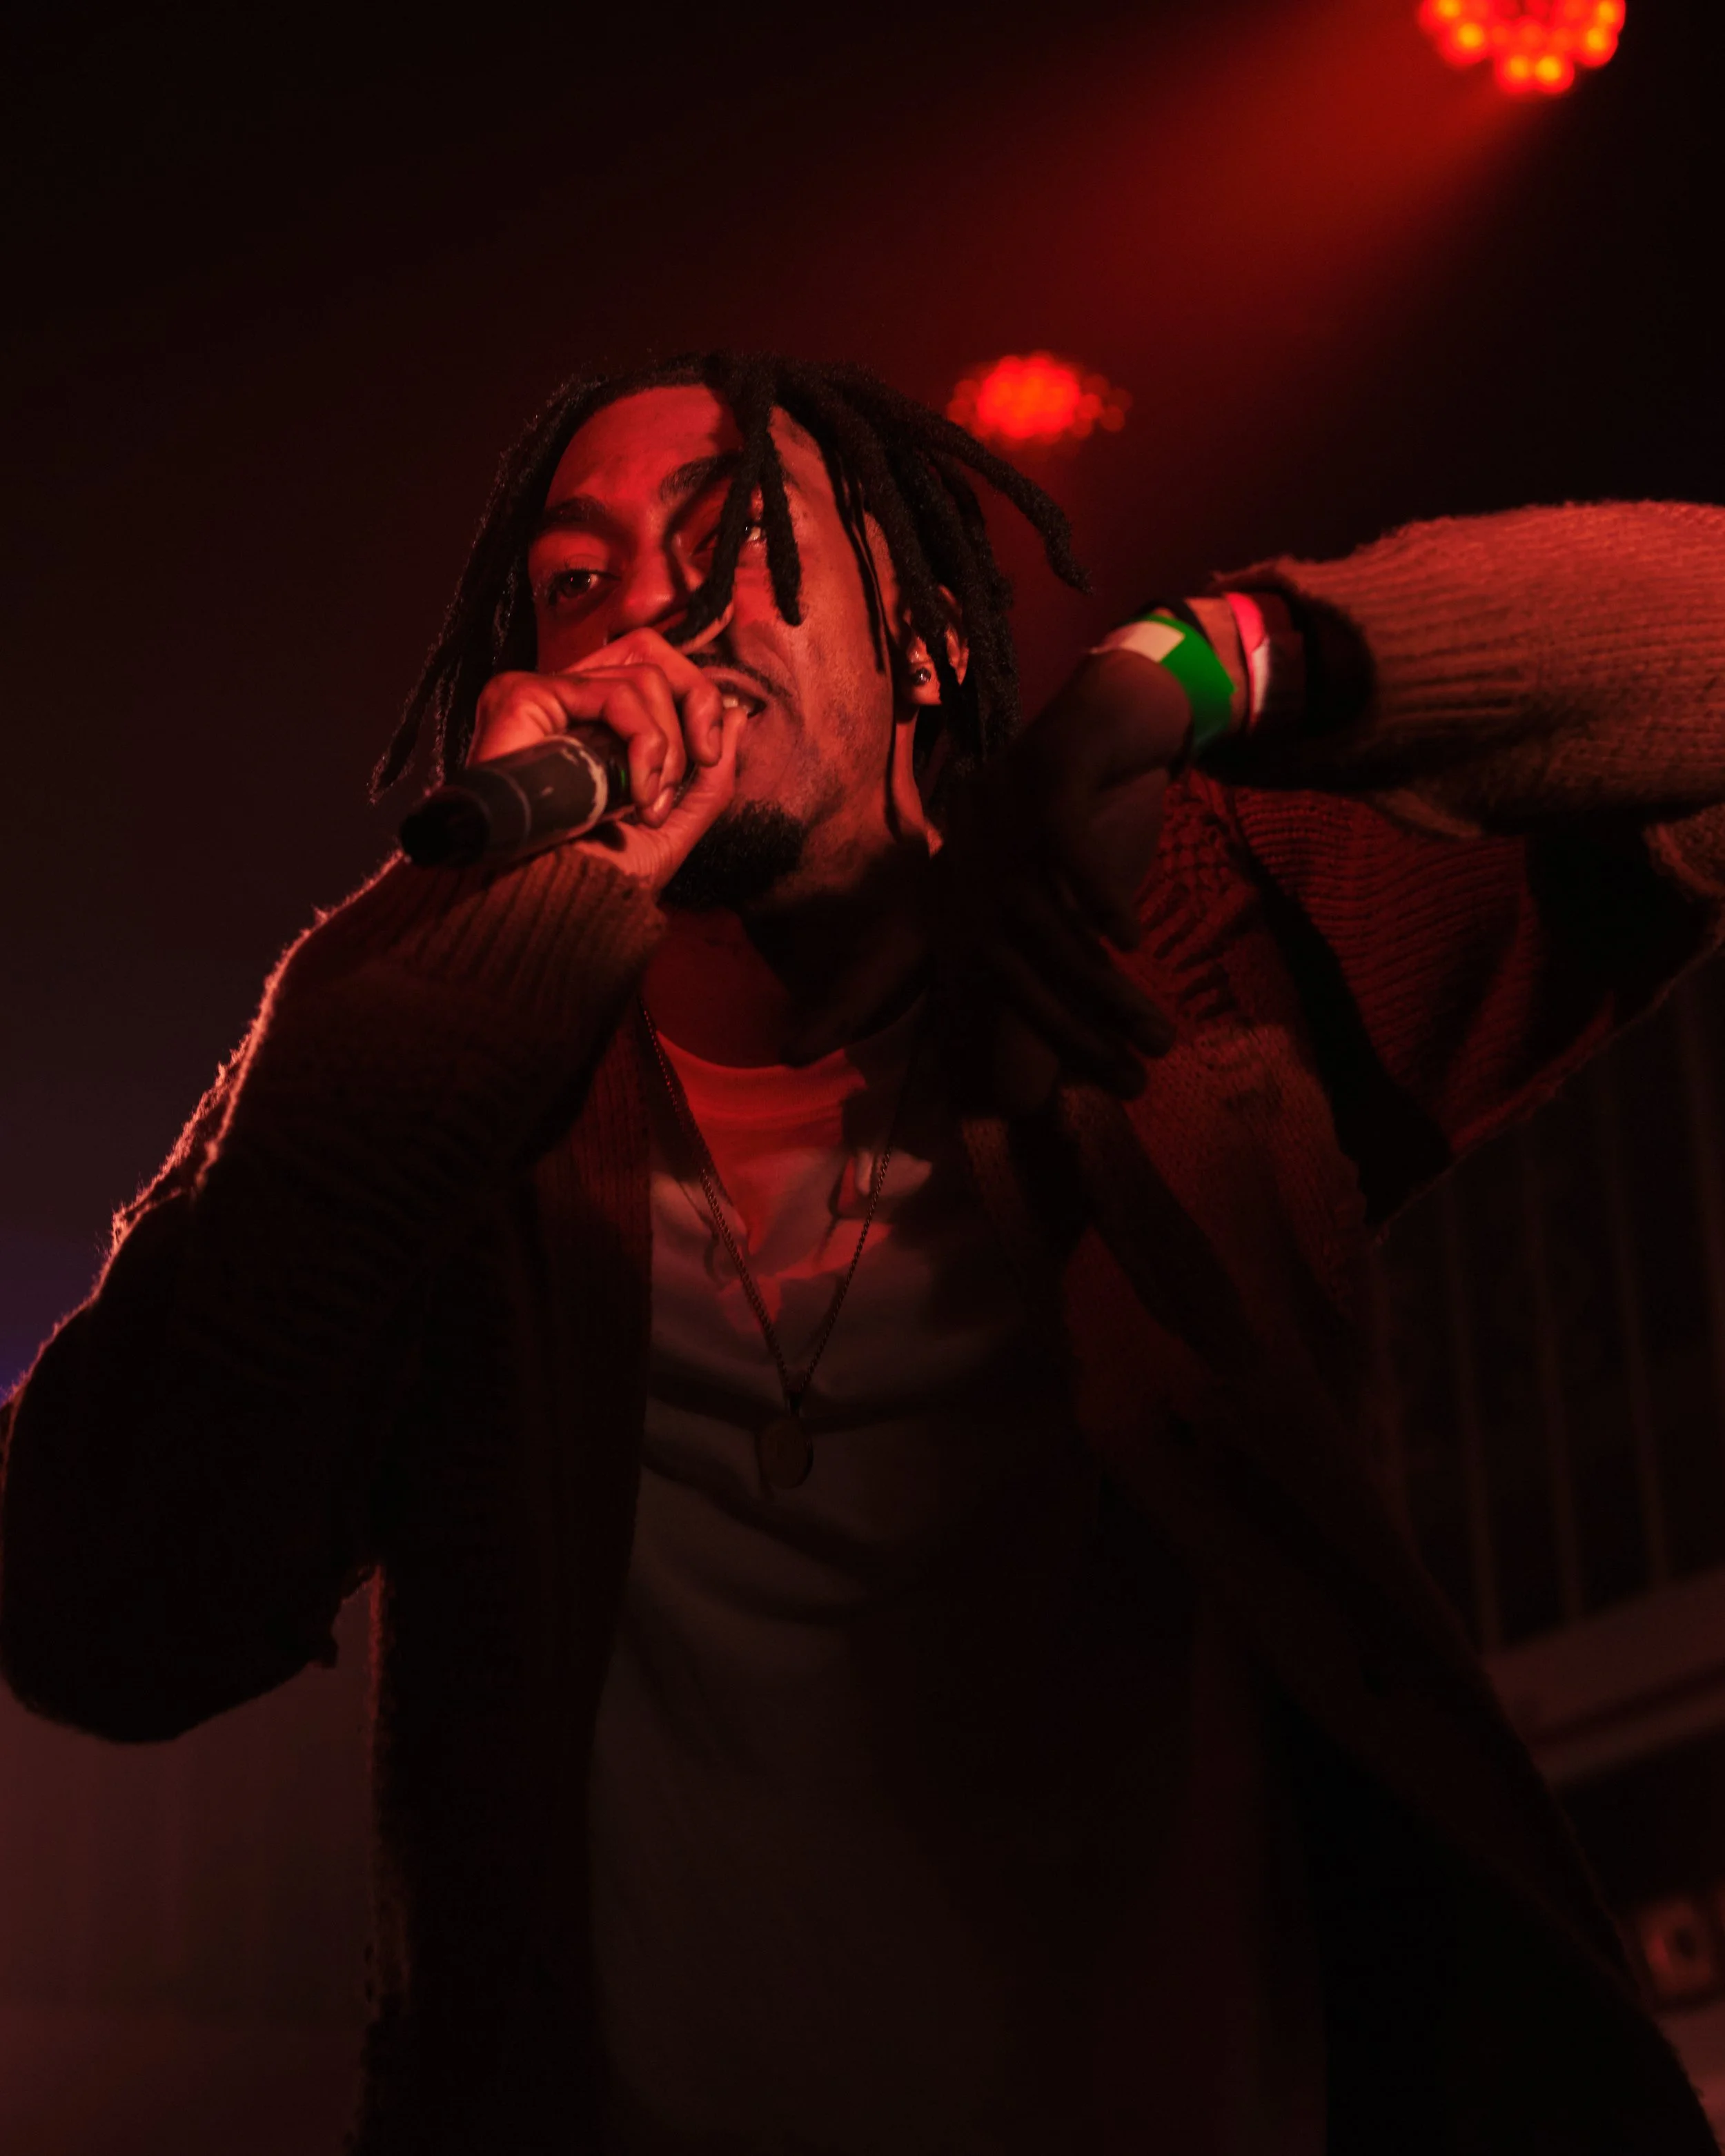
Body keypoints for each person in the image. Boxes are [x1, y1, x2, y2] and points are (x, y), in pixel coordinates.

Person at [2, 350, 1722, 2155]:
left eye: (728, 534)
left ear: (923, 651)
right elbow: (104, 1620)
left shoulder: (1172, 939)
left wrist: (1183, 675)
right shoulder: (444, 1073)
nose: (648, 615)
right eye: (575, 582)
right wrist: (458, 952)